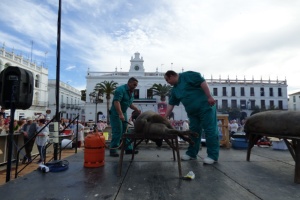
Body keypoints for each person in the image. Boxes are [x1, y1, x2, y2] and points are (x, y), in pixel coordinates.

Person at [164, 70, 219, 164]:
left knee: (210, 130)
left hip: (205, 107)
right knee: (193, 132)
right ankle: (192, 153)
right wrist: (164, 117)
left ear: (172, 75)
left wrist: (209, 96)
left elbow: (202, 82)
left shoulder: (187, 75)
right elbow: (171, 104)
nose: (167, 83)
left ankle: (212, 156)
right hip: (193, 113)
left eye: (167, 80)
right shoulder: (174, 90)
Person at [109, 77, 141, 157]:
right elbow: (116, 102)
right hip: (116, 113)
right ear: (129, 83)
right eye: (134, 84)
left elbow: (129, 104)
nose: (135, 86)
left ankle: (128, 149)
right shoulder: (120, 89)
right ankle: (113, 150)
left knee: (126, 131)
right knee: (118, 131)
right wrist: (120, 114)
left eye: (136, 85)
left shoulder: (132, 92)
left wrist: (136, 109)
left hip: (123, 112)